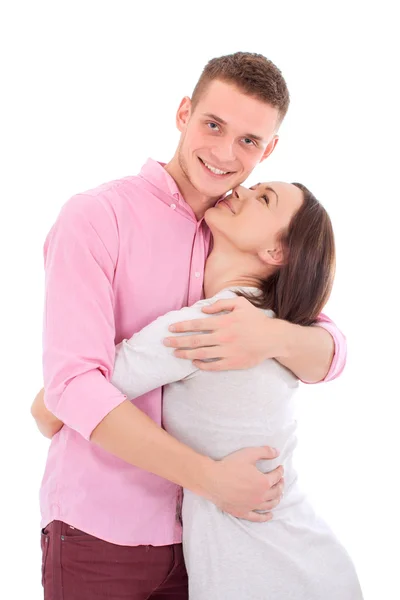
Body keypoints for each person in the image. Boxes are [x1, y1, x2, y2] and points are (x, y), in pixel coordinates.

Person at [32, 53, 347, 599]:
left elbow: (329, 345)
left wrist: (271, 336)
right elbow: (71, 387)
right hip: (103, 530)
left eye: (249, 141)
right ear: (183, 113)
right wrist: (209, 479)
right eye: (213, 124)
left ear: (268, 149)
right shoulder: (96, 218)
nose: (225, 153)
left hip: (210, 544)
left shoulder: (233, 233)